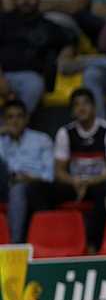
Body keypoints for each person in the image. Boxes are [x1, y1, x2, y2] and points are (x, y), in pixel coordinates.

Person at [51, 88, 106, 252]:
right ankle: (54, 243)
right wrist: (74, 181)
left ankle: (96, 246)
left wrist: (89, 182)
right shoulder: (65, 133)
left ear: (94, 107)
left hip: (100, 182)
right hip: (75, 184)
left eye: (85, 103)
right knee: (40, 190)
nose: (81, 108)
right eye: (76, 105)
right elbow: (59, 171)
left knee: (102, 193)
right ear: (72, 111)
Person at [0, 0, 76, 115]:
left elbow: (70, 39)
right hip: (2, 73)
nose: (26, 0)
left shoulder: (47, 26)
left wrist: (66, 53)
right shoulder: (3, 21)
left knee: (35, 84)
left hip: (28, 78)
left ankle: (11, 127)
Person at [0, 100, 53, 243]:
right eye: (10, 117)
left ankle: (14, 245)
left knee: (18, 189)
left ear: (27, 119)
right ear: (4, 121)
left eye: (19, 116)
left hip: (33, 188)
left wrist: (29, 178)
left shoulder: (41, 139)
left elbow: (50, 176)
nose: (15, 121)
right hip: (4, 186)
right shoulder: (1, 140)